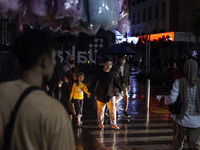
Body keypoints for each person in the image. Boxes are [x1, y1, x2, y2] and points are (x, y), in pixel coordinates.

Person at [0, 29, 75, 150]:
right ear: (45, 61)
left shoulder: (2, 93)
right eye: (54, 57)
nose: (55, 62)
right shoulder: (55, 111)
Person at [165, 59, 200, 149]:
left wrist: (166, 100)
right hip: (196, 122)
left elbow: (172, 100)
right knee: (194, 146)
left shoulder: (179, 82)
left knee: (178, 144)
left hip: (181, 120)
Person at [89, 57, 122, 130]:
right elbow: (93, 82)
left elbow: (115, 82)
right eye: (107, 64)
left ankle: (113, 124)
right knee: (101, 110)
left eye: (110, 64)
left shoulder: (112, 73)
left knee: (112, 109)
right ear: (103, 64)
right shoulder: (99, 73)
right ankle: (100, 123)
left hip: (110, 93)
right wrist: (89, 90)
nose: (109, 66)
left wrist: (120, 89)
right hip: (101, 93)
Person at [62, 55, 79, 120]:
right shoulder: (64, 68)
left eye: (72, 59)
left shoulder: (75, 67)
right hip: (68, 86)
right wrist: (64, 78)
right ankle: (70, 115)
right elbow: (62, 76)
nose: (71, 60)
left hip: (75, 87)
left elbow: (79, 75)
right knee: (69, 101)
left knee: (74, 101)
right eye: (70, 59)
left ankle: (73, 114)